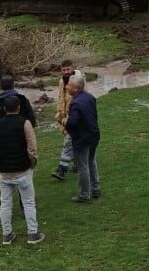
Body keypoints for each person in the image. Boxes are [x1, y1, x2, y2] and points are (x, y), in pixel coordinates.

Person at [0, 95, 45, 245]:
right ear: (18, 107)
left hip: (4, 172)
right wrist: (32, 162)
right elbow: (32, 147)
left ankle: (7, 234)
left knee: (5, 203)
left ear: (4, 109)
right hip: (23, 170)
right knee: (28, 202)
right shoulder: (25, 123)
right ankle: (33, 233)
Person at [0, 74, 37, 221]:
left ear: (0, 86)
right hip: (22, 145)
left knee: (4, 186)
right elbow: (31, 120)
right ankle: (26, 207)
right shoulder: (23, 100)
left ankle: (5, 212)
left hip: (2, 148)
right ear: (14, 85)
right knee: (25, 178)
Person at [64, 73, 101, 203]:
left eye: (68, 85)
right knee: (92, 161)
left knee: (83, 166)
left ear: (76, 89)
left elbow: (73, 123)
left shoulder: (75, 104)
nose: (66, 87)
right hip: (94, 135)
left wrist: (65, 122)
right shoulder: (90, 97)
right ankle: (96, 188)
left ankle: (85, 194)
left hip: (82, 138)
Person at [51, 60, 77, 181]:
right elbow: (61, 98)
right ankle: (77, 163)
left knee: (68, 142)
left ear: (73, 68)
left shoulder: (78, 80)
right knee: (75, 141)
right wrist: (60, 114)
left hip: (75, 115)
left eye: (68, 69)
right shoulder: (62, 81)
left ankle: (62, 169)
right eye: (64, 70)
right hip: (66, 115)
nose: (66, 72)